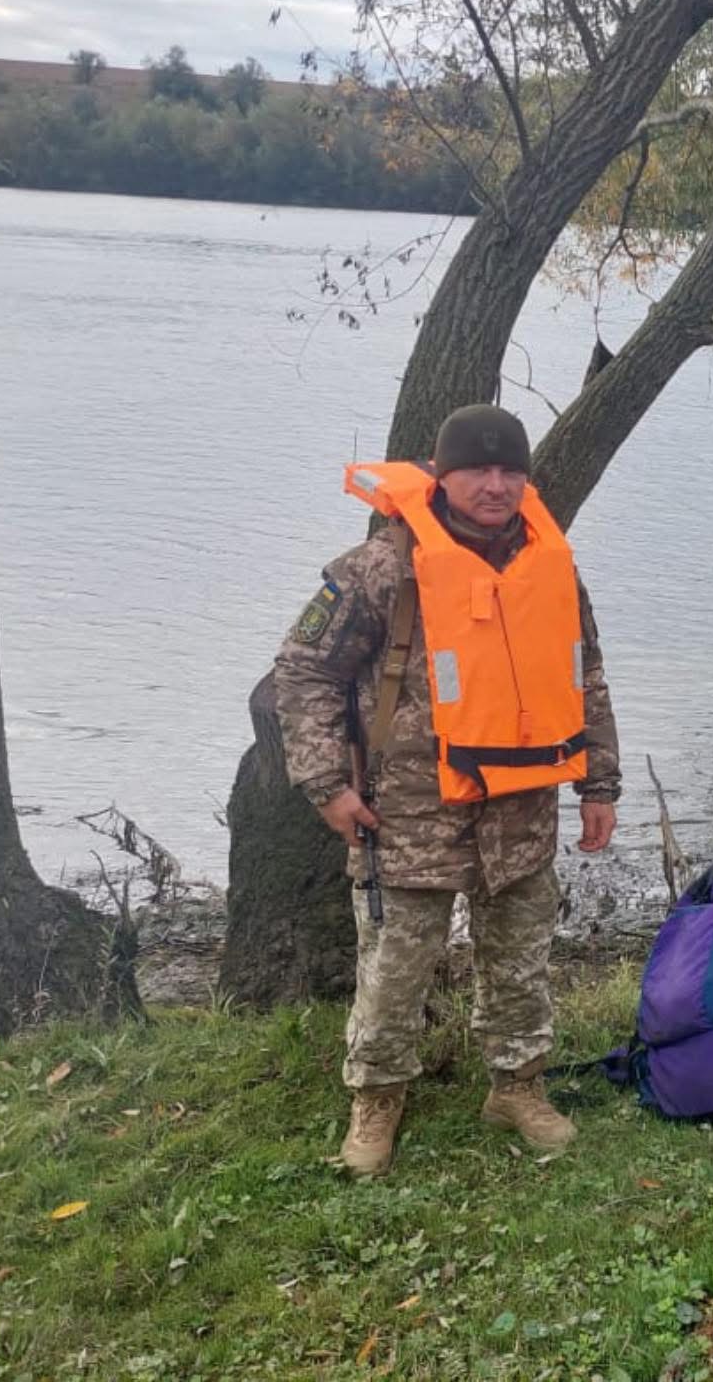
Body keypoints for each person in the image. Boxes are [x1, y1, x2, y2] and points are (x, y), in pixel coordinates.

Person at [274, 404, 621, 1177]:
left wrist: (600, 782)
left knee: (520, 958)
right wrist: (327, 784)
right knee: (396, 966)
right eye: (477, 470)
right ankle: (376, 1100)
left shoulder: (551, 564)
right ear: (442, 473)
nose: (495, 486)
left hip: (522, 809)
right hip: (409, 814)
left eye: (510, 471)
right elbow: (302, 673)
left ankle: (517, 1086)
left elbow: (585, 673)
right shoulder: (377, 570)